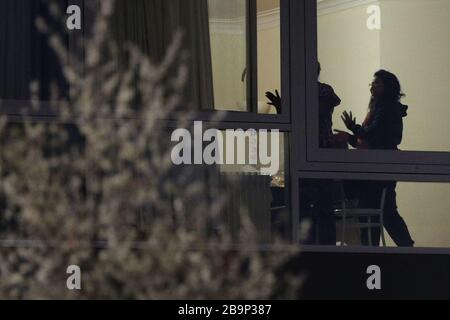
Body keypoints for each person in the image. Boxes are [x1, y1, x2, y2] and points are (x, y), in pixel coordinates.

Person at [336, 69, 415, 247]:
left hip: (379, 170)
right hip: (378, 170)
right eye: (372, 83)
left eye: (377, 83)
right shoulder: (381, 108)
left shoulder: (387, 108)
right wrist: (350, 136)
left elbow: (372, 136)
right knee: (382, 211)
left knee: (381, 211)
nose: (372, 86)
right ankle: (385, 249)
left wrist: (353, 128)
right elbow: (367, 141)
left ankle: (378, 250)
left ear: (388, 86)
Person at [266, 63, 341, 245]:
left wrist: (290, 105)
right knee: (305, 204)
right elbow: (295, 118)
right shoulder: (308, 92)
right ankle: (309, 244)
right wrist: (283, 108)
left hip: (319, 153)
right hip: (303, 153)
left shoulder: (322, 91)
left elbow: (316, 111)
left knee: (322, 204)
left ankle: (324, 247)